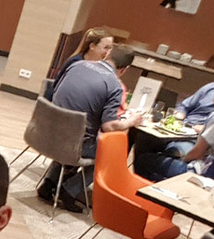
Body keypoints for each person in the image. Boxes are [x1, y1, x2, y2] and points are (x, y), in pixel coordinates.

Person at [38, 44, 143, 212]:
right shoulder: (114, 85)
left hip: (44, 132)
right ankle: (69, 190)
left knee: (71, 130)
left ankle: (50, 182)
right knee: (111, 154)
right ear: (125, 70)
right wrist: (131, 121)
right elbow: (109, 126)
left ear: (107, 55)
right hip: (73, 145)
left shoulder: (76, 65)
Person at [135, 74, 214, 182]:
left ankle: (143, 192)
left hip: (200, 173)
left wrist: (181, 162)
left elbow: (197, 153)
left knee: (144, 159)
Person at [46, 28, 114, 100]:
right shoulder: (76, 63)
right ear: (92, 46)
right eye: (106, 48)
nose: (108, 52)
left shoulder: (99, 66)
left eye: (110, 48)